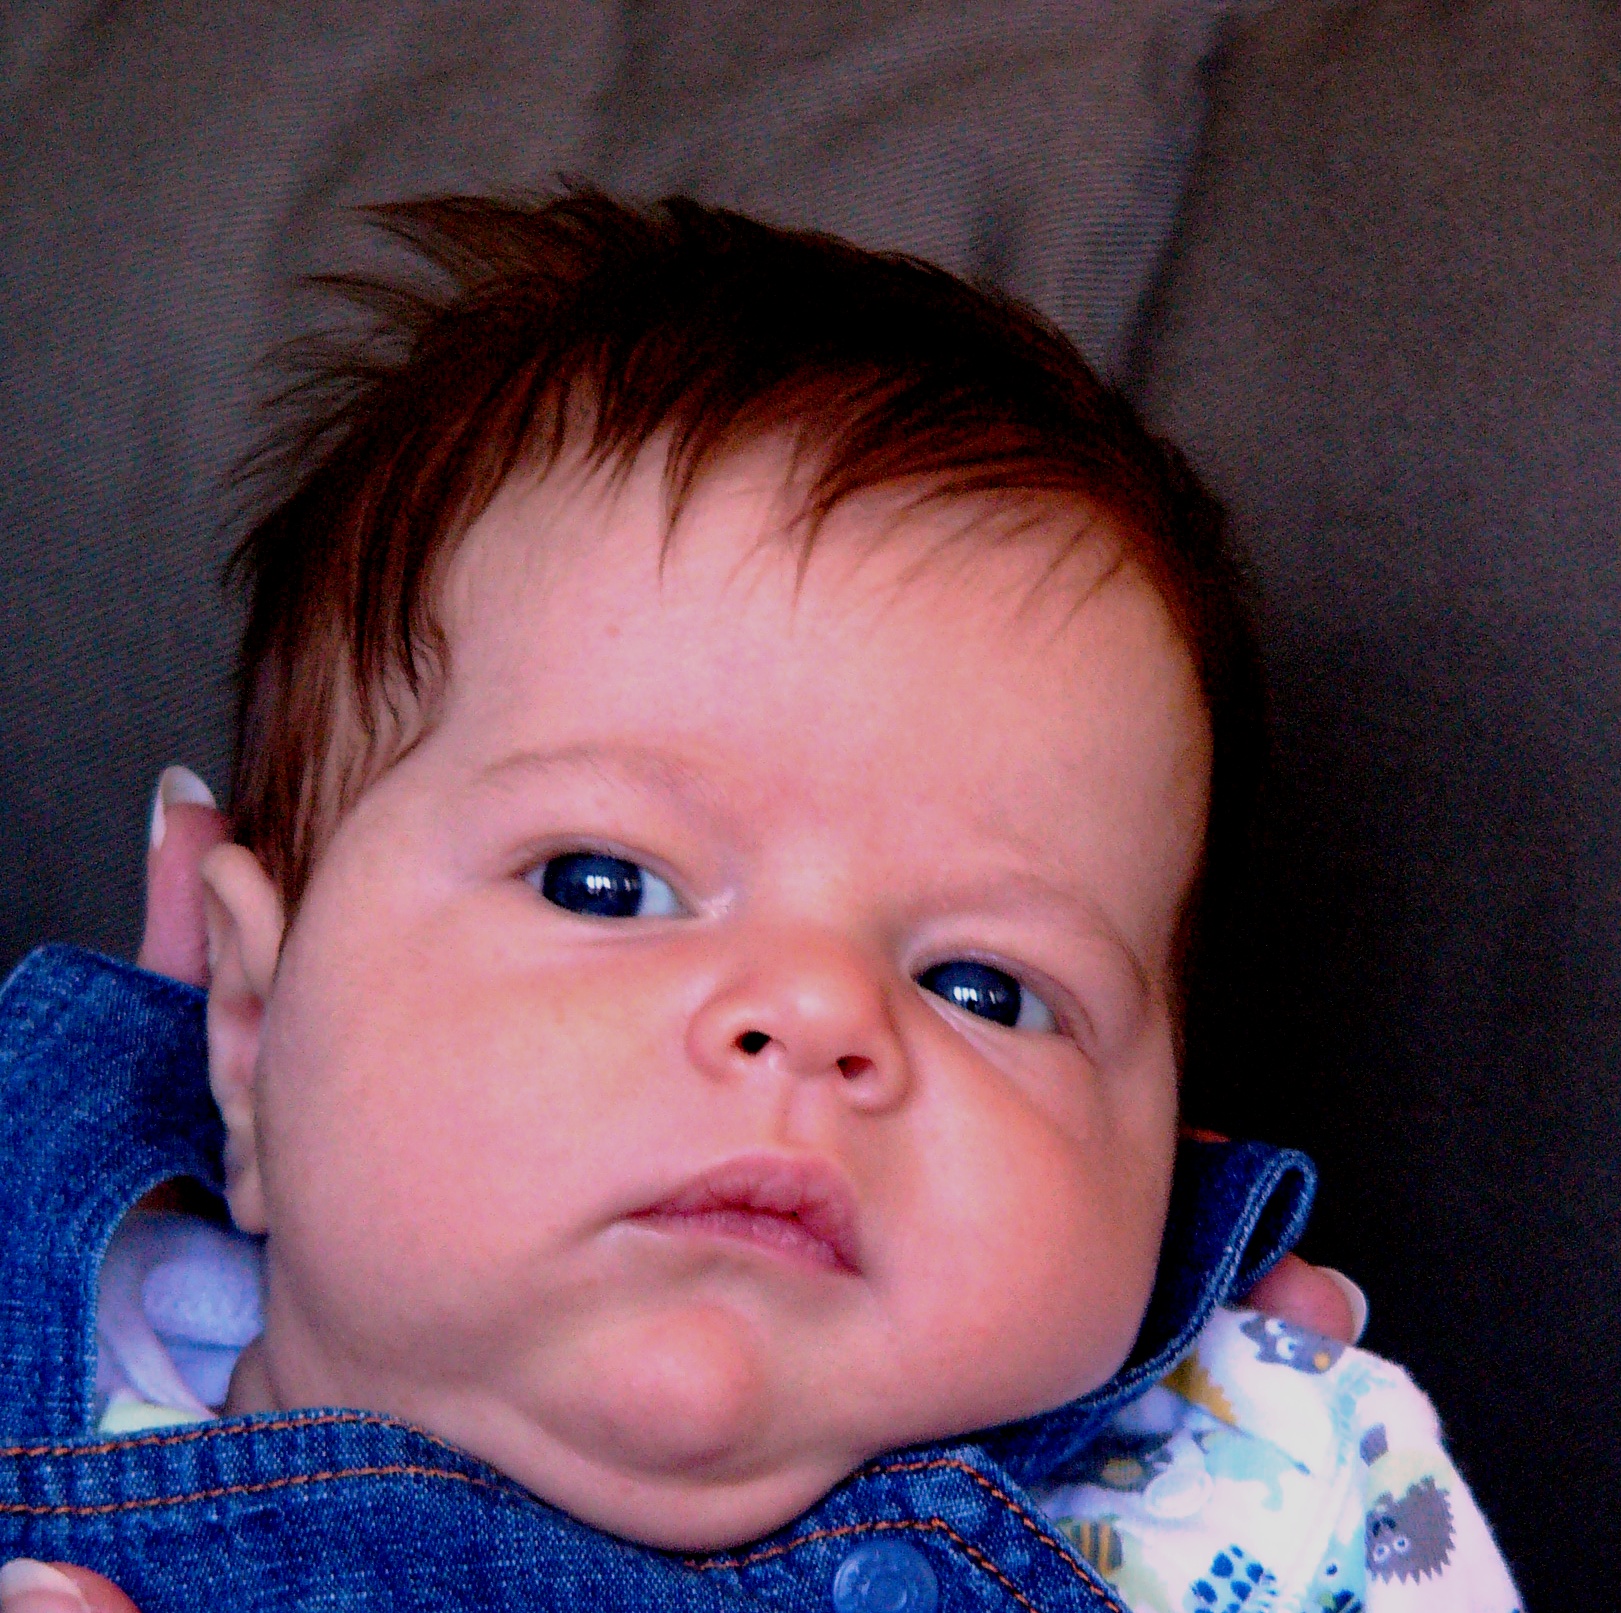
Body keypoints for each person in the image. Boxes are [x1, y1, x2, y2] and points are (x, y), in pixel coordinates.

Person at [0, 190, 1518, 1613]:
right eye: (606, 884)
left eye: (986, 987)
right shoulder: (42, 1357)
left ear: (1161, 1147)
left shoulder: (1279, 1497)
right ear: (254, 1028)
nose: (814, 1011)